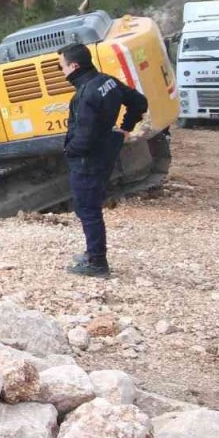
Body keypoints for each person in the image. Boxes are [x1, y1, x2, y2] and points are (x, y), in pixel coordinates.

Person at [58, 42, 148, 278]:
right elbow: (139, 102)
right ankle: (92, 254)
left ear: (74, 66)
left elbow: (84, 137)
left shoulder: (85, 94)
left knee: (87, 209)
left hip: (88, 160)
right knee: (91, 207)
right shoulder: (107, 81)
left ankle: (97, 262)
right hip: (105, 152)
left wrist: (70, 151)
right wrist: (124, 129)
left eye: (63, 67)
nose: (62, 72)